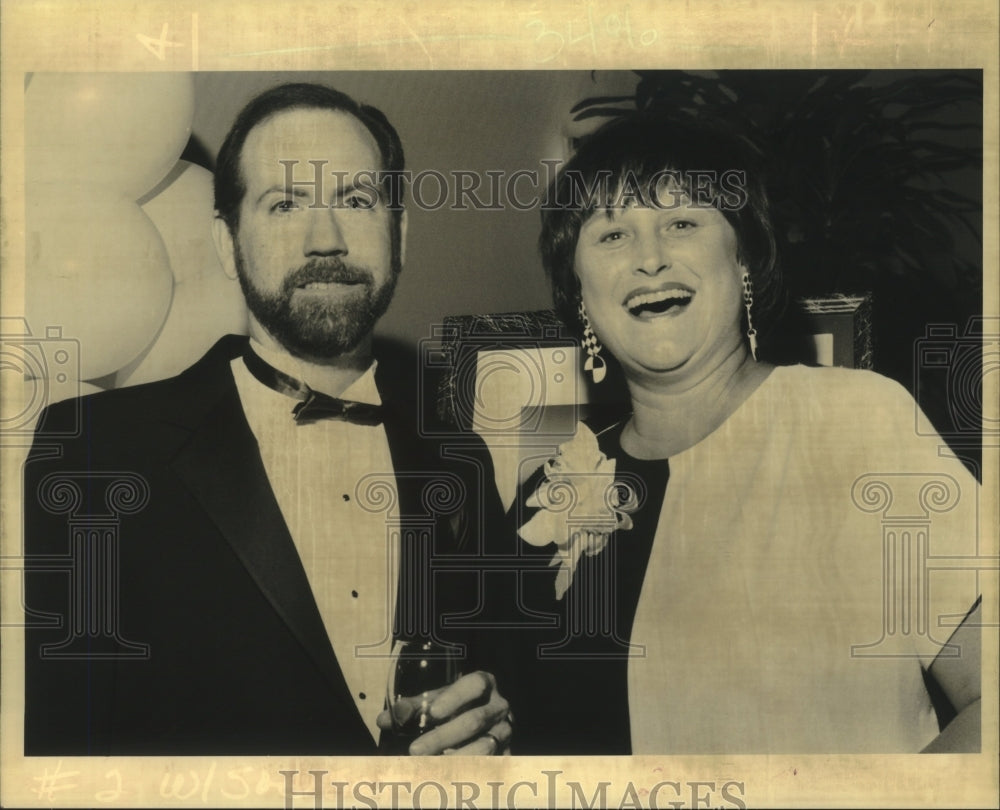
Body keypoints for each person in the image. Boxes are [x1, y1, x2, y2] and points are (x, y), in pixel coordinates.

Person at [23, 82, 512, 756]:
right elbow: (52, 757)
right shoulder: (93, 452)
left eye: (356, 201)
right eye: (285, 204)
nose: (325, 240)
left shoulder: (460, 459)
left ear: (398, 235)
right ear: (228, 245)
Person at [507, 113, 982, 755]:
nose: (649, 259)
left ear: (744, 259)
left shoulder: (859, 422)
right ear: (579, 292)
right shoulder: (543, 500)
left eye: (683, 222)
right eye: (612, 233)